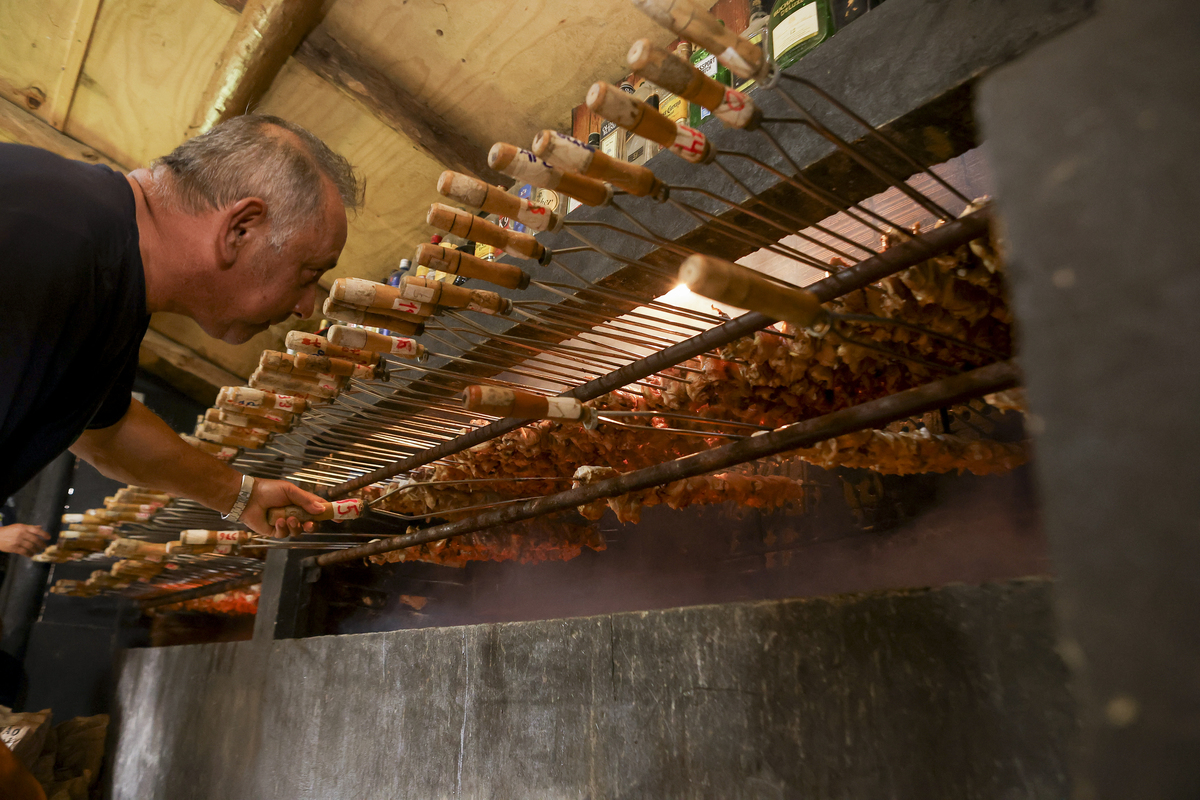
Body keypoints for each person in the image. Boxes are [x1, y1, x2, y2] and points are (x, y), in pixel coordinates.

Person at [0, 115, 365, 538]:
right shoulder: (54, 237)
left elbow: (107, 433)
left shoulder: (110, 270)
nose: (305, 308)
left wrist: (240, 495)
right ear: (240, 229)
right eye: (308, 273)